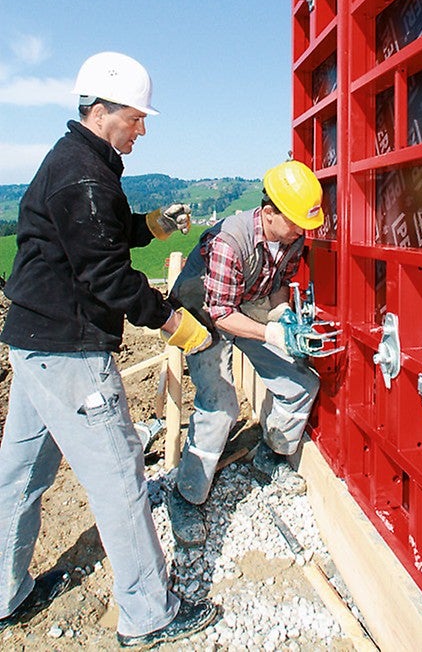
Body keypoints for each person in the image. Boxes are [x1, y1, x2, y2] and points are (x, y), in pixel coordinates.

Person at [0, 51, 217, 647]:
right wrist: (175, 323)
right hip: (69, 352)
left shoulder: (82, 163)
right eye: (137, 117)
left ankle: (4, 592)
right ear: (102, 111)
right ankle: (150, 614)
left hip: (33, 343)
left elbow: (96, 231)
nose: (142, 128)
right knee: (122, 479)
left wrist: (152, 225)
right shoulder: (85, 175)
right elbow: (110, 278)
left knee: (20, 474)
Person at [166, 159, 323, 547]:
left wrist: (282, 314)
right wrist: (270, 332)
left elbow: (280, 283)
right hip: (203, 313)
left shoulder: (292, 235)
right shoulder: (229, 242)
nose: (301, 232)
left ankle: (270, 453)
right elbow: (220, 314)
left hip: (248, 302)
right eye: (294, 223)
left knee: (301, 383)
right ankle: (187, 495)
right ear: (269, 213)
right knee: (220, 405)